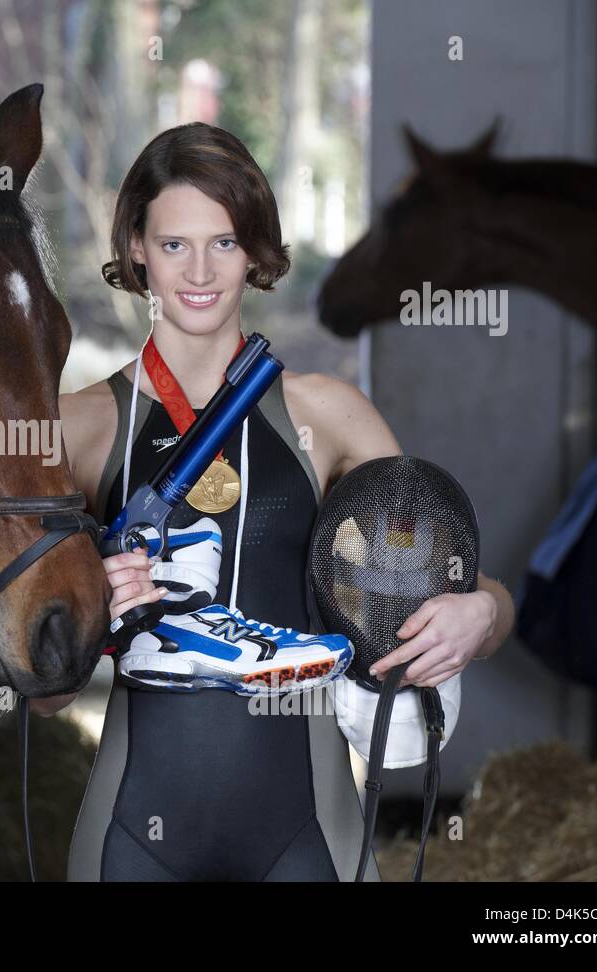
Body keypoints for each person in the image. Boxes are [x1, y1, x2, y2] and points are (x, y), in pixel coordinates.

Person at [37, 122, 514, 881]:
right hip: (133, 837)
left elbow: (461, 585)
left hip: (307, 836)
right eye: (173, 244)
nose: (200, 270)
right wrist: (88, 611)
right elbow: (45, 698)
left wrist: (482, 615)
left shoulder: (330, 416)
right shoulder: (79, 428)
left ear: (257, 251)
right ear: (134, 246)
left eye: (224, 242)